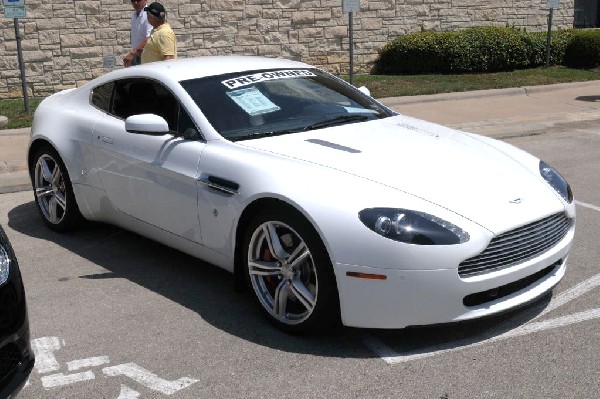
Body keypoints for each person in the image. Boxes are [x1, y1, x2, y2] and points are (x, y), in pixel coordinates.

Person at [123, 0, 152, 67]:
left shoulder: (148, 15)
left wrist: (132, 54)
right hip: (136, 55)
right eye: (133, 0)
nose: (135, 3)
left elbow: (148, 38)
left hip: (145, 57)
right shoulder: (134, 15)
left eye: (138, 0)